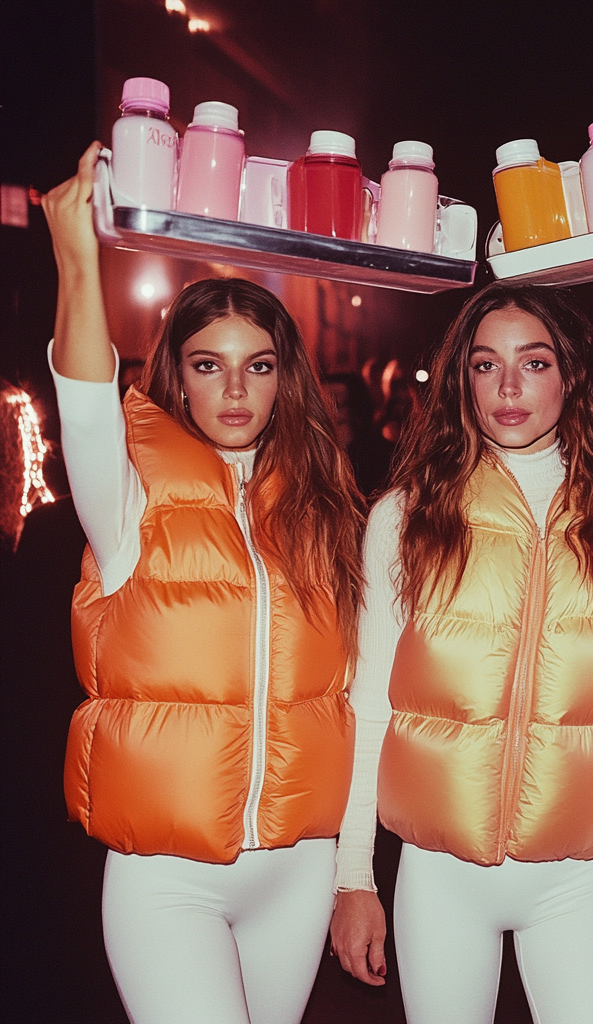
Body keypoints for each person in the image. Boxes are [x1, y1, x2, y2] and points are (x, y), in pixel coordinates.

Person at [41, 142, 365, 1024]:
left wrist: (350, 872)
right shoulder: (129, 499)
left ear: (283, 379)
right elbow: (82, 396)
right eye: (208, 363)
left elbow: (353, 697)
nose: (234, 389)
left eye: (257, 365)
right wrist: (79, 258)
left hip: (297, 866)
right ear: (175, 374)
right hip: (167, 879)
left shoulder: (326, 509)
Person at [331, 281, 593, 1024]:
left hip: (580, 879)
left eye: (535, 362)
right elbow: (371, 708)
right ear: (462, 381)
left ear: (572, 375)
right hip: (438, 876)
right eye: (485, 365)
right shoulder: (407, 515)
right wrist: (353, 877)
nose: (508, 386)